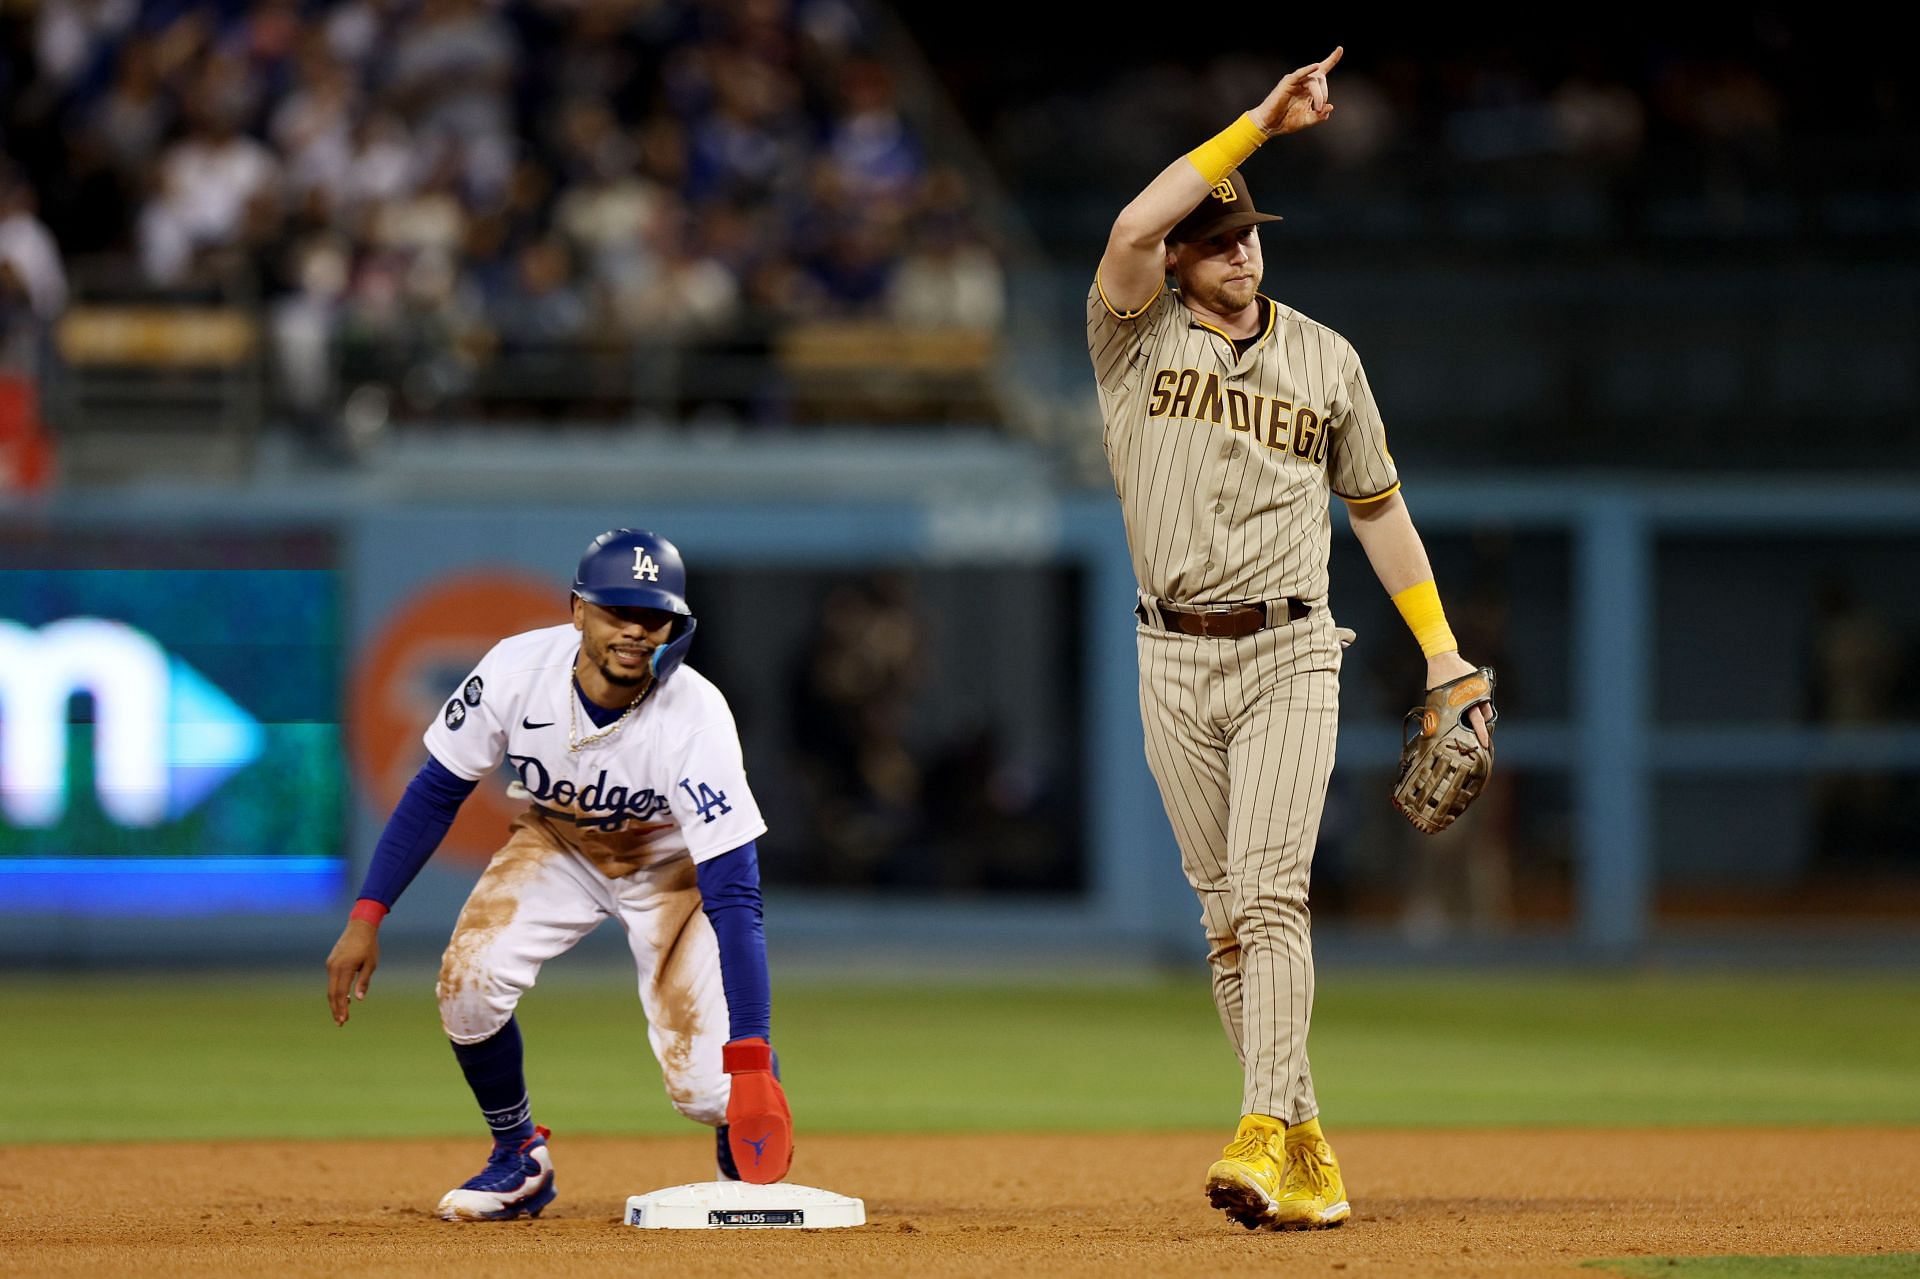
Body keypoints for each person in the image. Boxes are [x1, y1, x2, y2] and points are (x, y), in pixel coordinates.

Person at [1086, 47, 1490, 1231]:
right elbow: (1126, 222)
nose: (1241, 249)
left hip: (1290, 649)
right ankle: (1307, 1145)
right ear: (1176, 258)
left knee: (1270, 896)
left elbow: (1379, 511)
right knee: (1222, 919)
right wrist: (1257, 125)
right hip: (1169, 652)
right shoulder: (1130, 337)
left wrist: (1445, 654)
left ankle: (1262, 1134)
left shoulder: (1327, 357)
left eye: (1249, 234)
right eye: (1215, 238)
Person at [324, 528, 793, 1220]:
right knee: (467, 985)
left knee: (705, 1090)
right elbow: (434, 791)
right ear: (578, 610)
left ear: (674, 624)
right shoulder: (516, 671)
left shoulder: (695, 716)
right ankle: (519, 1157)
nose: (635, 630)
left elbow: (735, 893)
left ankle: (741, 1112)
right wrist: (368, 914)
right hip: (558, 840)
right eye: (615, 611)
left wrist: (750, 1056)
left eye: (653, 616)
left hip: (669, 865)